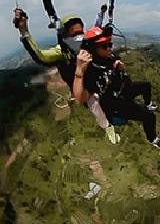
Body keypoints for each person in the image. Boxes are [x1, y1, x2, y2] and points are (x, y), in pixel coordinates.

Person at [13, 8, 120, 144]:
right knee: (93, 102)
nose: (79, 37)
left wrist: (102, 15)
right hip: (83, 86)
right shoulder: (61, 52)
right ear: (65, 35)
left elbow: (96, 29)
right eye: (75, 34)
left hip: (97, 79)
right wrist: (24, 31)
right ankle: (107, 127)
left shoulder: (87, 44)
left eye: (81, 33)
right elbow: (40, 56)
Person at [73, 26, 160, 150]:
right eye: (104, 46)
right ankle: (152, 139)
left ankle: (148, 103)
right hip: (114, 102)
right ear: (93, 49)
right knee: (148, 116)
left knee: (146, 86)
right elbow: (80, 99)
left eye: (110, 44)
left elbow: (119, 63)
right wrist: (79, 71)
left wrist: (121, 66)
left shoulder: (109, 57)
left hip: (123, 89)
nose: (109, 49)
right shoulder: (90, 70)